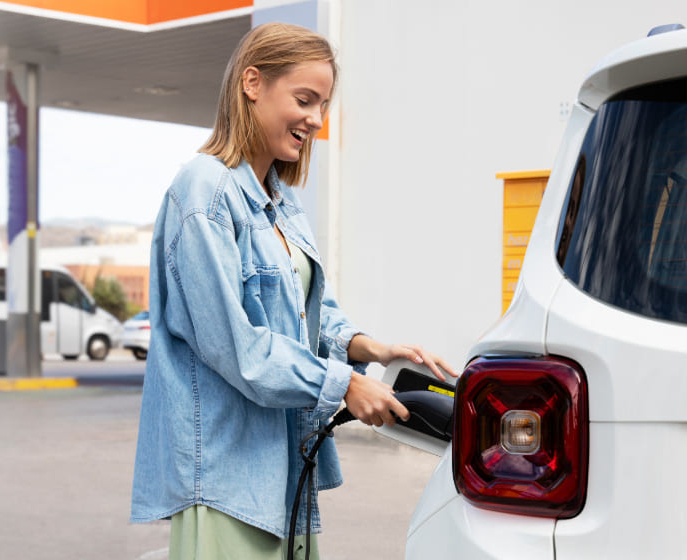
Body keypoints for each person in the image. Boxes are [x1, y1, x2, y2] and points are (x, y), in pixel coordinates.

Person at [130, 22, 456, 560]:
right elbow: (233, 344)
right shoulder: (204, 191)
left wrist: (368, 347)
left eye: (323, 105)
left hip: (281, 466)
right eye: (304, 100)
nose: (316, 120)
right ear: (252, 83)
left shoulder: (279, 199)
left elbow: (306, 310)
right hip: (226, 476)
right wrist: (344, 383)